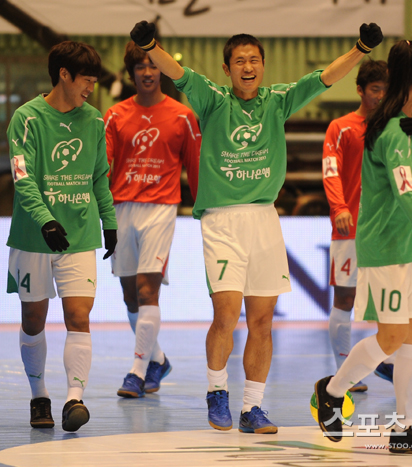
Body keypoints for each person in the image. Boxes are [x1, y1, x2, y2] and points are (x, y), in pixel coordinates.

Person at [129, 20, 383, 434]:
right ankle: (217, 392)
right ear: (227, 69)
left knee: (263, 320)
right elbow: (176, 73)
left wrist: (360, 48)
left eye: (254, 60)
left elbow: (324, 77)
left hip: (265, 218)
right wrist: (149, 45)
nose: (248, 66)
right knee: (227, 315)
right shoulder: (211, 99)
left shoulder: (277, 101)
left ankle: (253, 408)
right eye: (239, 61)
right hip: (221, 221)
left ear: (263, 66)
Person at [314, 40, 412, 454]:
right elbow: (406, 193)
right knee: (393, 336)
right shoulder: (391, 129)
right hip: (390, 248)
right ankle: (332, 389)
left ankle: (404, 429)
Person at [6, 41, 117, 431]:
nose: (91, 88)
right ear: (64, 75)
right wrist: (44, 220)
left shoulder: (94, 121)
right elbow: (23, 176)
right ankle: (39, 397)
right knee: (33, 319)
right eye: (86, 80)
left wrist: (110, 223)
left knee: (78, 316)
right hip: (33, 238)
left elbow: (99, 177)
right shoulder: (26, 118)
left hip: (80, 236)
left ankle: (74, 398)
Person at [104, 41, 201, 398]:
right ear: (131, 73)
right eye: (140, 66)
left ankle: (136, 371)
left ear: (162, 70)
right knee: (130, 296)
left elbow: (196, 167)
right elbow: (103, 169)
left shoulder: (182, 116)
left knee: (148, 290)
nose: (147, 72)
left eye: (153, 65)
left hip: (161, 208)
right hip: (121, 208)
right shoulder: (114, 116)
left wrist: (206, 209)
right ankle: (157, 359)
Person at [323, 59, 394, 392]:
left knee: (391, 298)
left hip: (386, 230)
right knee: (345, 299)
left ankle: (389, 362)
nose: (381, 96)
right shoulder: (340, 127)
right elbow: (330, 171)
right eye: (375, 89)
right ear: (360, 90)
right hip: (349, 230)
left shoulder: (395, 127)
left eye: (386, 90)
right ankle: (343, 373)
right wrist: (338, 207)